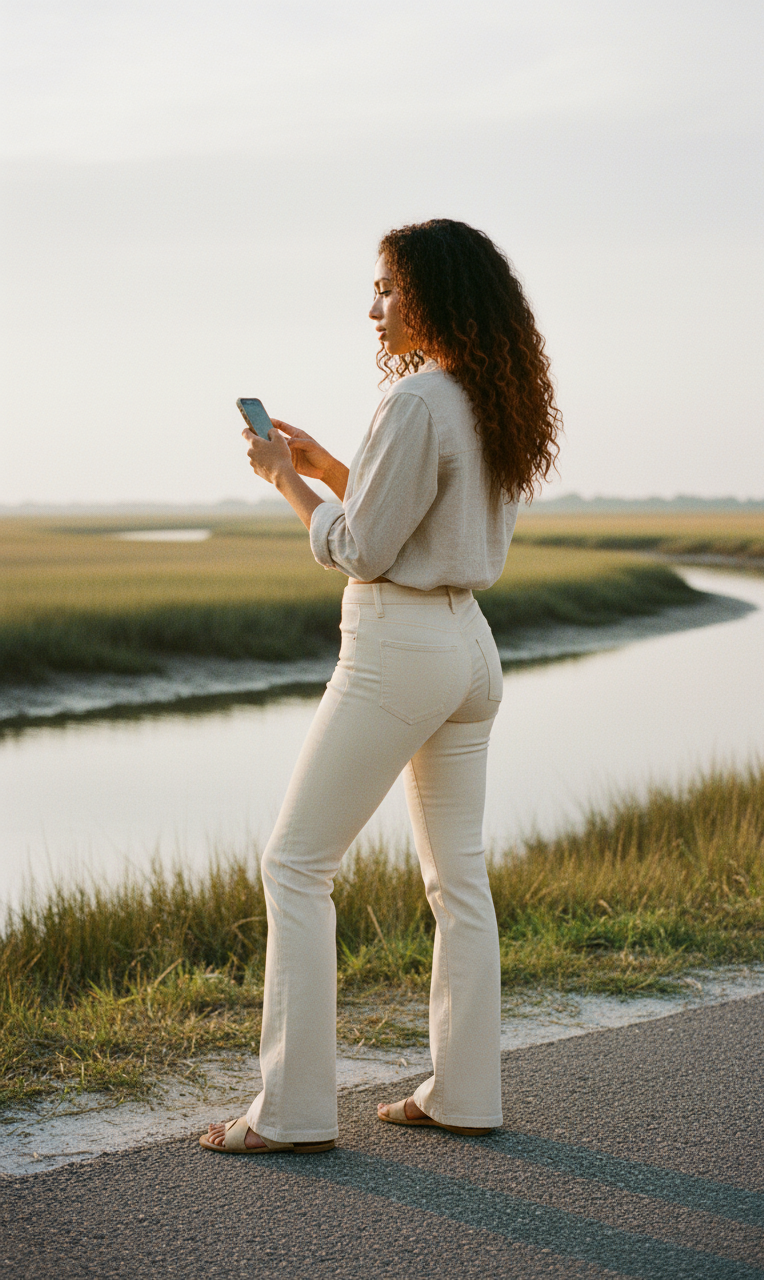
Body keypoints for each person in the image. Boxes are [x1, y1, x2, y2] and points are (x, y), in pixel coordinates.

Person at [200, 218, 561, 1155]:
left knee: (294, 865)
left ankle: (290, 1113)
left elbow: (363, 546)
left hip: (399, 648)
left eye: (388, 289)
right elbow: (421, 512)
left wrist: (287, 483)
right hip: (469, 649)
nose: (374, 308)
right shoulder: (490, 395)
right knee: (460, 880)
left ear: (431, 296)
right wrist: (331, 467)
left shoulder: (416, 400)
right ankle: (465, 1094)